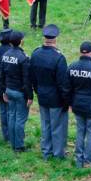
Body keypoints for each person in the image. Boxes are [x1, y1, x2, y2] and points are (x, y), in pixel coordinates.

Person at [30, 24, 70, 159]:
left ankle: (46, 151)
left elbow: (33, 77)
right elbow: (62, 83)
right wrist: (66, 101)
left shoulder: (35, 54)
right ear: (55, 39)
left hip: (42, 94)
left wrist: (37, 91)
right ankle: (58, 154)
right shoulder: (59, 58)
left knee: (45, 124)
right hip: (56, 98)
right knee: (57, 127)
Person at [0, 30, 33, 152]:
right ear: (20, 42)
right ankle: (19, 146)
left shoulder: (5, 55)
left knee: (11, 116)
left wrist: (4, 90)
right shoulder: (23, 58)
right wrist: (30, 96)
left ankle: (13, 143)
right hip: (20, 93)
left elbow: (1, 75)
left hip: (9, 90)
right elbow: (26, 79)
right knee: (19, 119)